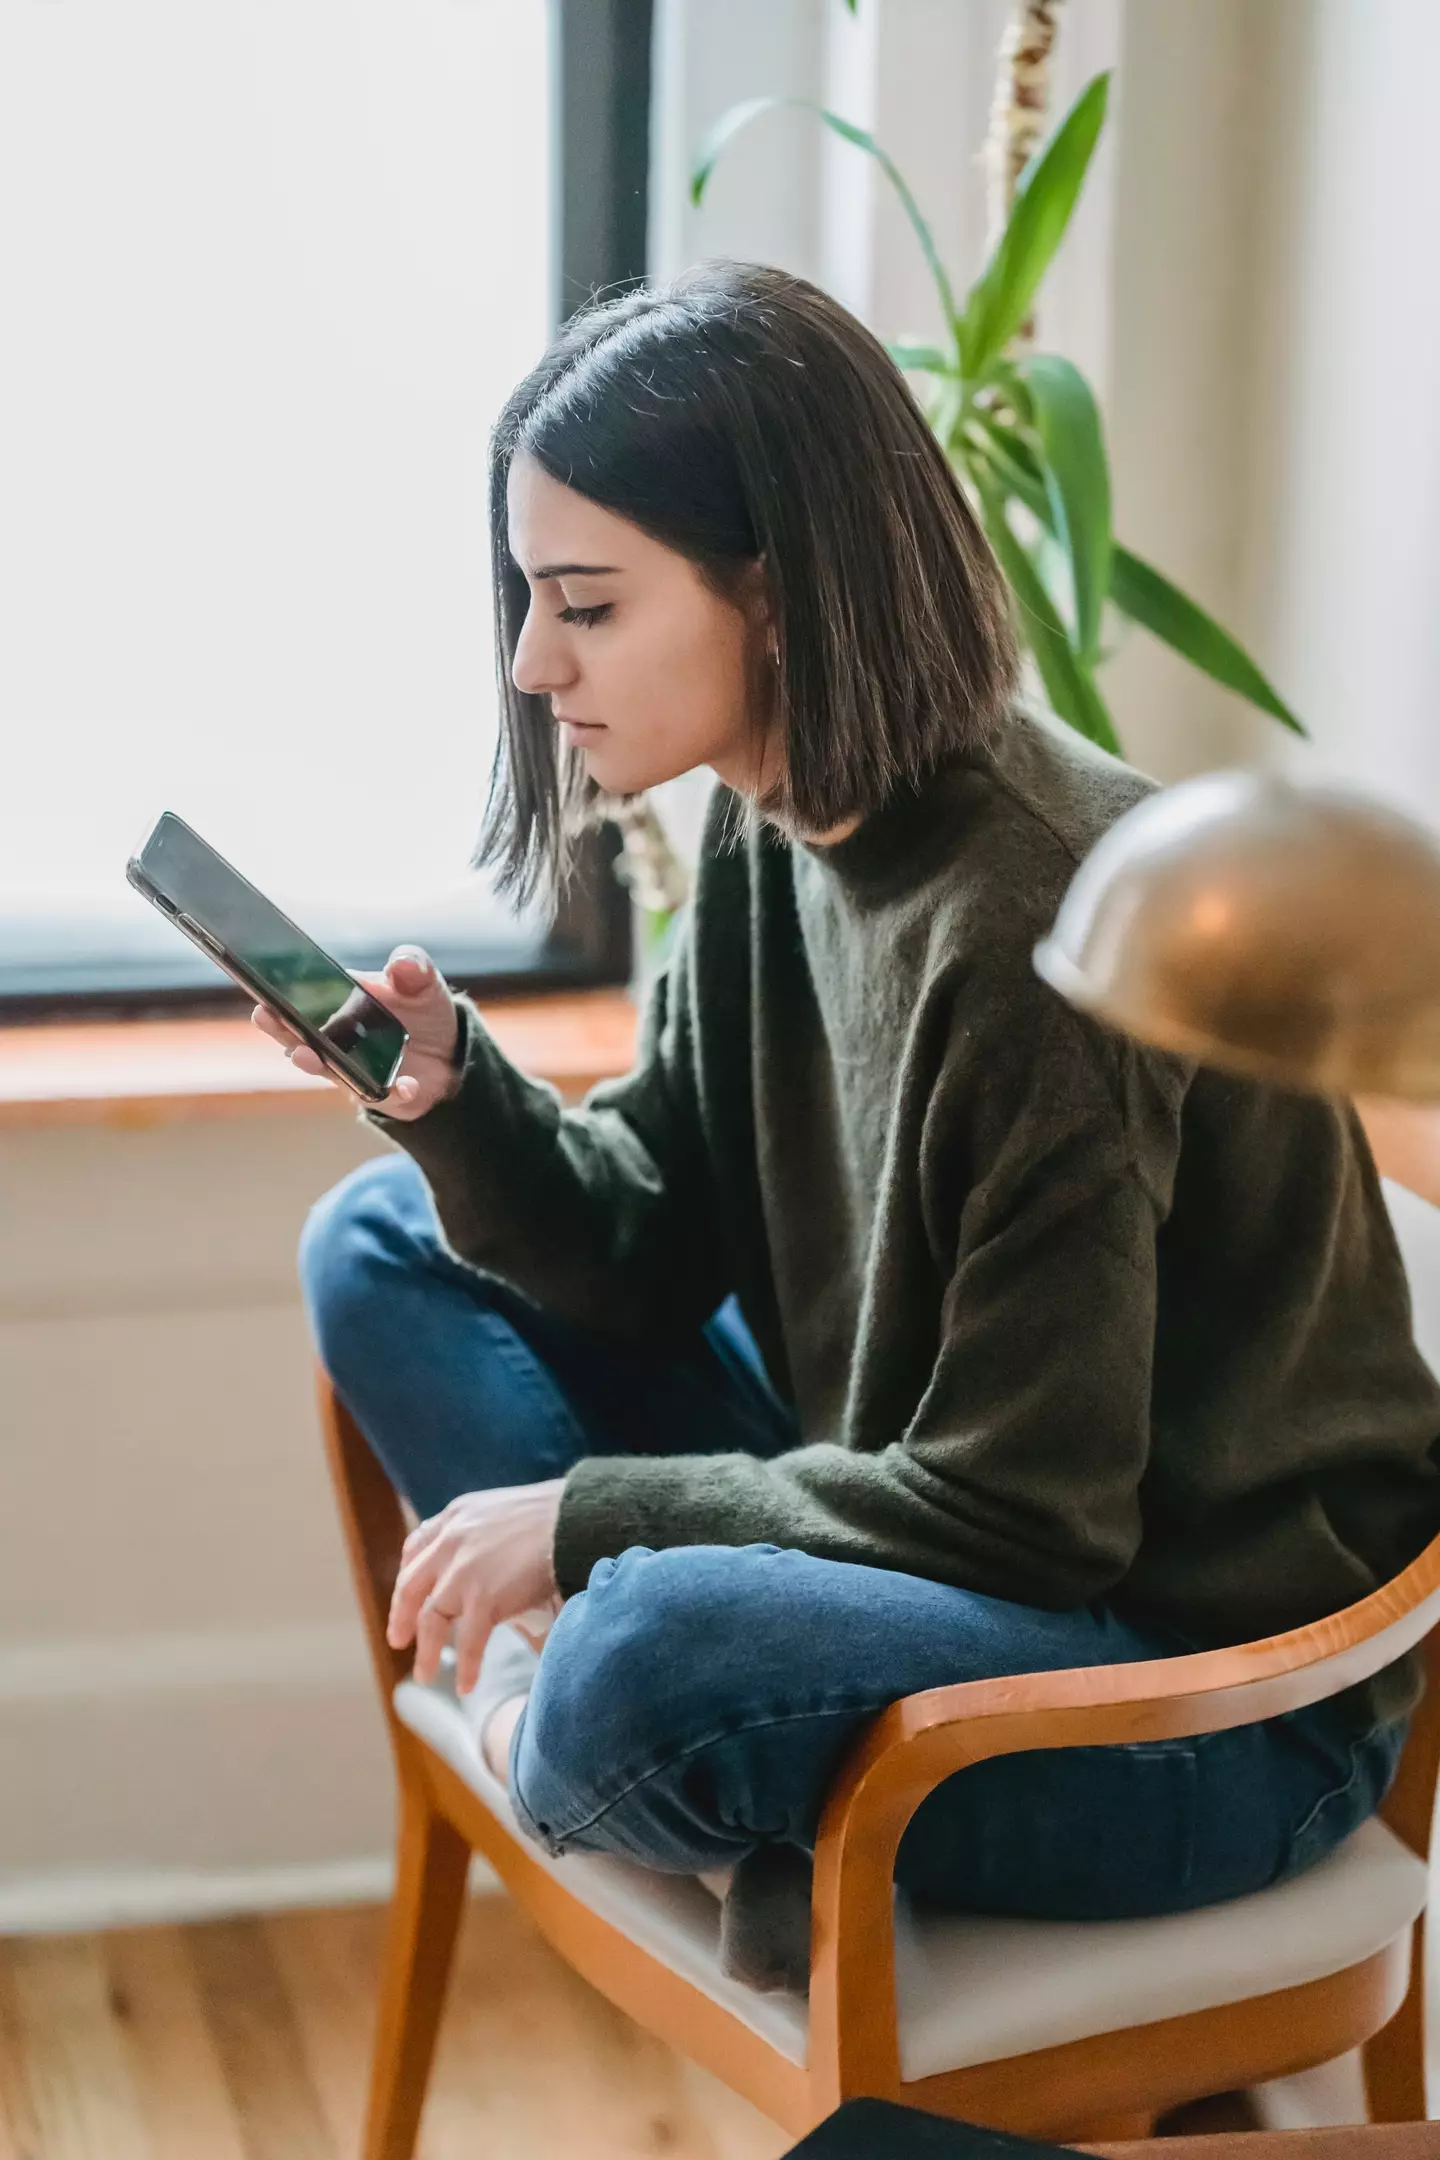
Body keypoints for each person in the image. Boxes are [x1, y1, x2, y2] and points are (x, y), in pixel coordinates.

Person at [263, 262, 1440, 1988]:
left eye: (586, 604)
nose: (532, 661)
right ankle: (686, 1756)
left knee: (644, 1652)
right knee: (374, 1238)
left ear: (782, 593)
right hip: (915, 1498)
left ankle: (585, 1725)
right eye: (531, 598)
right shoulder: (769, 818)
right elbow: (653, 1244)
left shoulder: (1044, 930)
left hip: (1179, 1691)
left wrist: (589, 1526)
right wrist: (457, 1103)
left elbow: (1036, 1517)